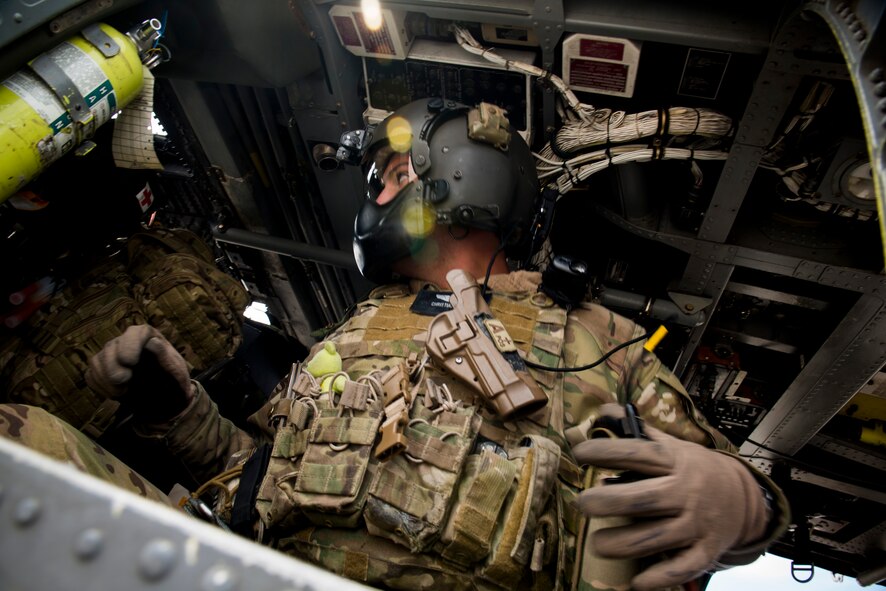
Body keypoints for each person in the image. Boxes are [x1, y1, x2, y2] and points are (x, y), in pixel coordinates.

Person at [0, 98, 788, 591]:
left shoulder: (598, 339)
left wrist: (744, 503)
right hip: (247, 566)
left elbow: (740, 505)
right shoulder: (359, 328)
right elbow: (254, 483)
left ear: (460, 179)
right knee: (21, 436)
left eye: (392, 174)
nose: (375, 193)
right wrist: (176, 410)